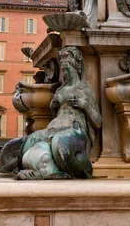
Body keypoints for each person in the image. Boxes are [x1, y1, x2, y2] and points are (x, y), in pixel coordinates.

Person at [16, 46, 102, 179]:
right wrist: (53, 106)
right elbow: (55, 115)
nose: (66, 73)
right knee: (31, 139)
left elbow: (97, 122)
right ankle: (41, 169)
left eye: (68, 70)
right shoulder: (60, 90)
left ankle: (58, 171)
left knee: (59, 142)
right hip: (54, 128)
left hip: (74, 130)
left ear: (76, 68)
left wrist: (84, 105)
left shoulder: (85, 90)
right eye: (64, 70)